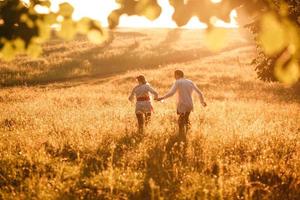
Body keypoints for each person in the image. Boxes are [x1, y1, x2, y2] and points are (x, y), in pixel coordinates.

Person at [157, 70, 207, 136]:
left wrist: (161, 98)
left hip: (182, 104)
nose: (174, 77)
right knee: (186, 119)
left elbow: (171, 93)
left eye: (174, 75)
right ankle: (187, 134)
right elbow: (200, 93)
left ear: (178, 75)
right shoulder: (190, 82)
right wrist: (202, 102)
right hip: (190, 104)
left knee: (180, 121)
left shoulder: (178, 82)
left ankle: (181, 135)